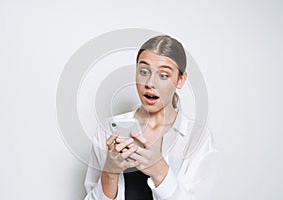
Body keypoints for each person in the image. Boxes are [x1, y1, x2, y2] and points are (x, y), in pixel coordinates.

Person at [84, 35, 217, 200]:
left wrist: (159, 170)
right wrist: (110, 173)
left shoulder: (197, 139)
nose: (150, 83)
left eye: (163, 75)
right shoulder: (107, 131)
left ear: (180, 80)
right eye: (144, 72)